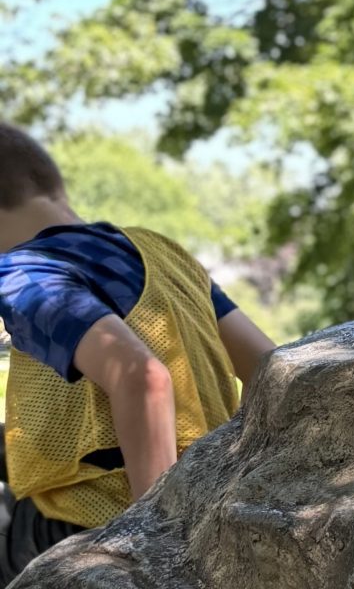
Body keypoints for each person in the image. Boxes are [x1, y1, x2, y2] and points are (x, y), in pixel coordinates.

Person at [0, 122, 275, 583]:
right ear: (53, 185)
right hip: (210, 500)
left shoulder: (22, 273)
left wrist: (156, 543)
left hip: (94, 525)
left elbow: (141, 377)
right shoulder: (162, 252)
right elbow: (270, 367)